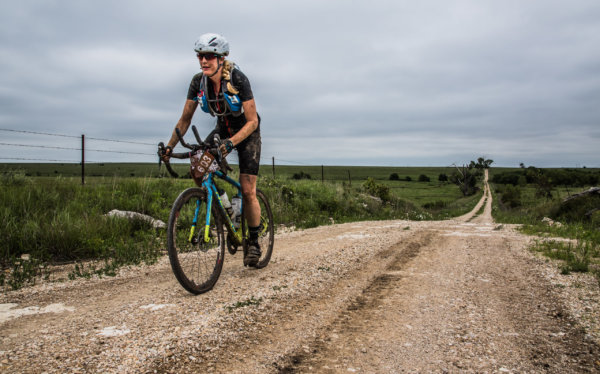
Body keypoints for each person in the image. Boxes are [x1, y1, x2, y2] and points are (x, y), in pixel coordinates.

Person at [163, 33, 263, 267]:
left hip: (247, 134)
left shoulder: (238, 79)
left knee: (248, 190)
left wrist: (230, 144)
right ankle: (228, 210)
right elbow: (185, 118)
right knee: (199, 171)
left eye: (209, 56)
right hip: (222, 130)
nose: (203, 61)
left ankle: (255, 242)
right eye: (200, 56)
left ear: (220, 58)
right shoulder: (198, 82)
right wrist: (170, 146)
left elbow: (252, 121)